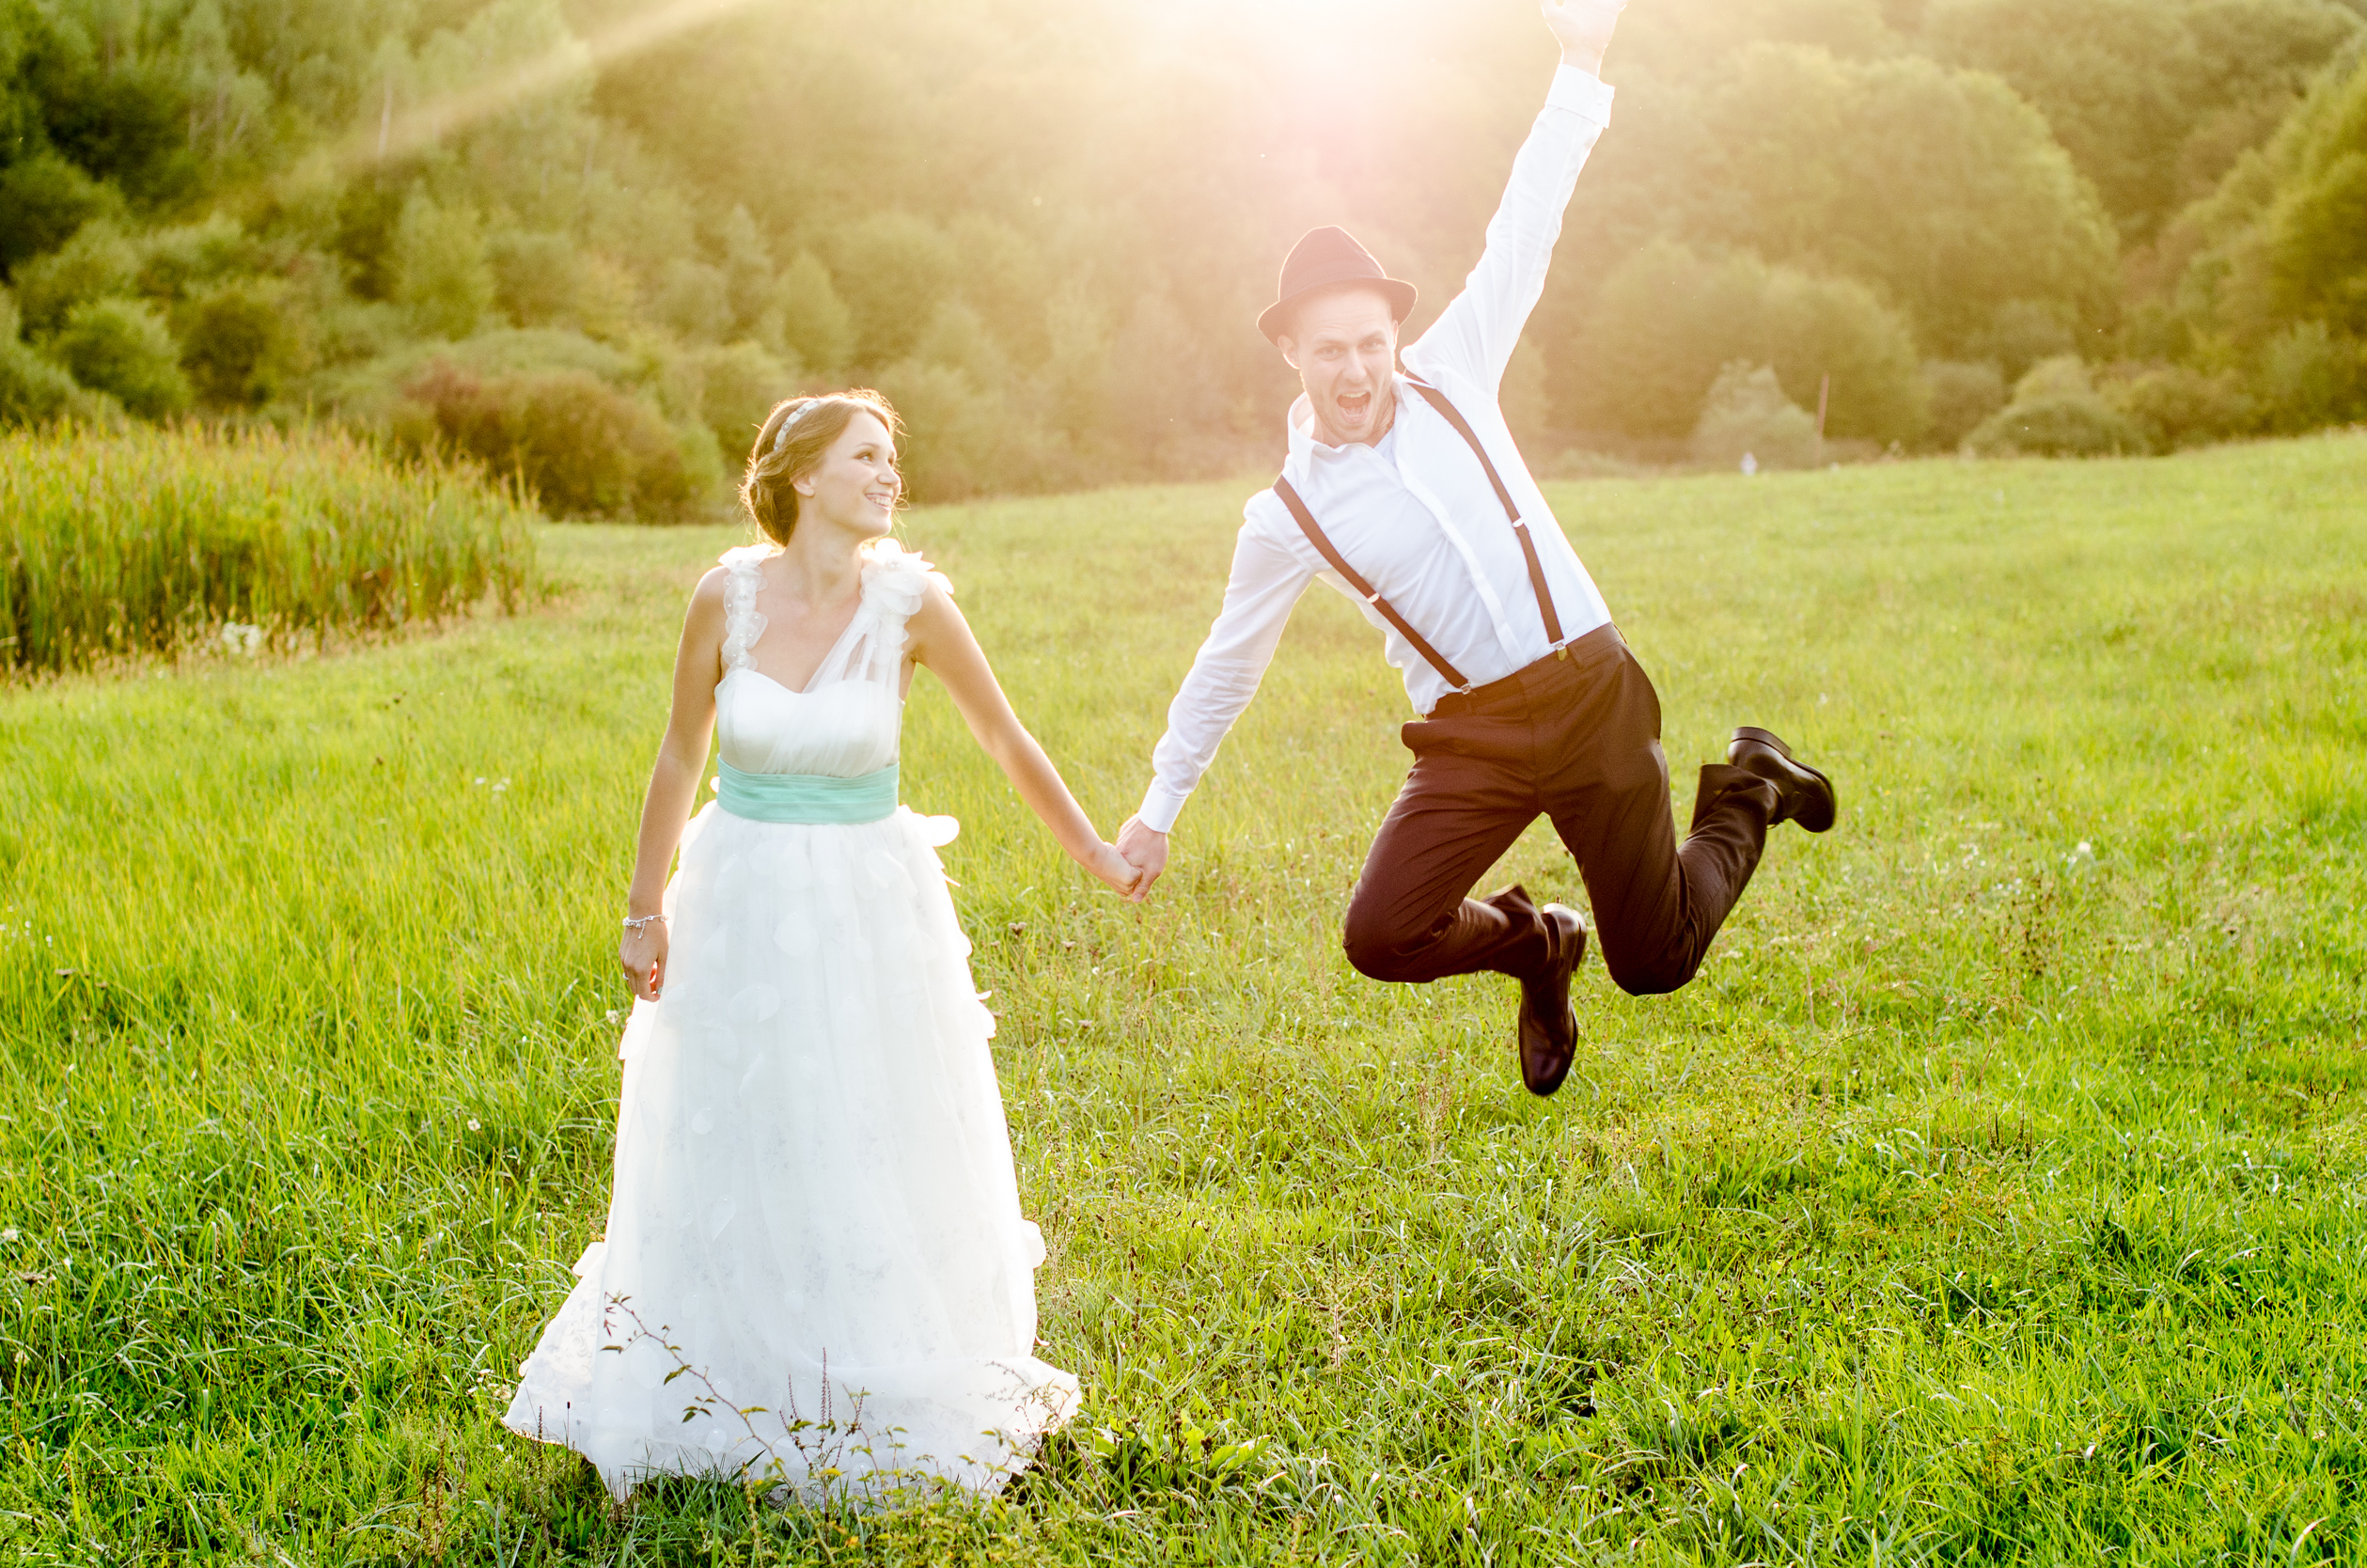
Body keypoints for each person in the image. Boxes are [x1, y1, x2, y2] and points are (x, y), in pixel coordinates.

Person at [1113, 0, 1837, 1098]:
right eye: (1330, 352)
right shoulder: (1287, 515)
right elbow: (1229, 662)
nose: (1356, 369)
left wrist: (1578, 62)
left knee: (1654, 961)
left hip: (1588, 689)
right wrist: (1159, 808)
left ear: (1392, 337)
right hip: (1473, 739)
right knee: (1379, 936)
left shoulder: (1454, 376)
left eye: (1370, 342)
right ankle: (1533, 946)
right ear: (1291, 358)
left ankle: (1747, 786)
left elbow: (1527, 220)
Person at [505, 390, 1138, 1504]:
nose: (889, 474)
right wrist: (644, 907)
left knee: (865, 1115)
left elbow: (1004, 733)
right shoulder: (723, 597)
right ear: (804, 476)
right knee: (741, 1117)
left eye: (894, 457)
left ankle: (869, 1357)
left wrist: (1090, 849)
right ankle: (722, 1367)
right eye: (865, 456)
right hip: (737, 894)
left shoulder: (915, 606)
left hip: (867, 902)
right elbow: (677, 756)